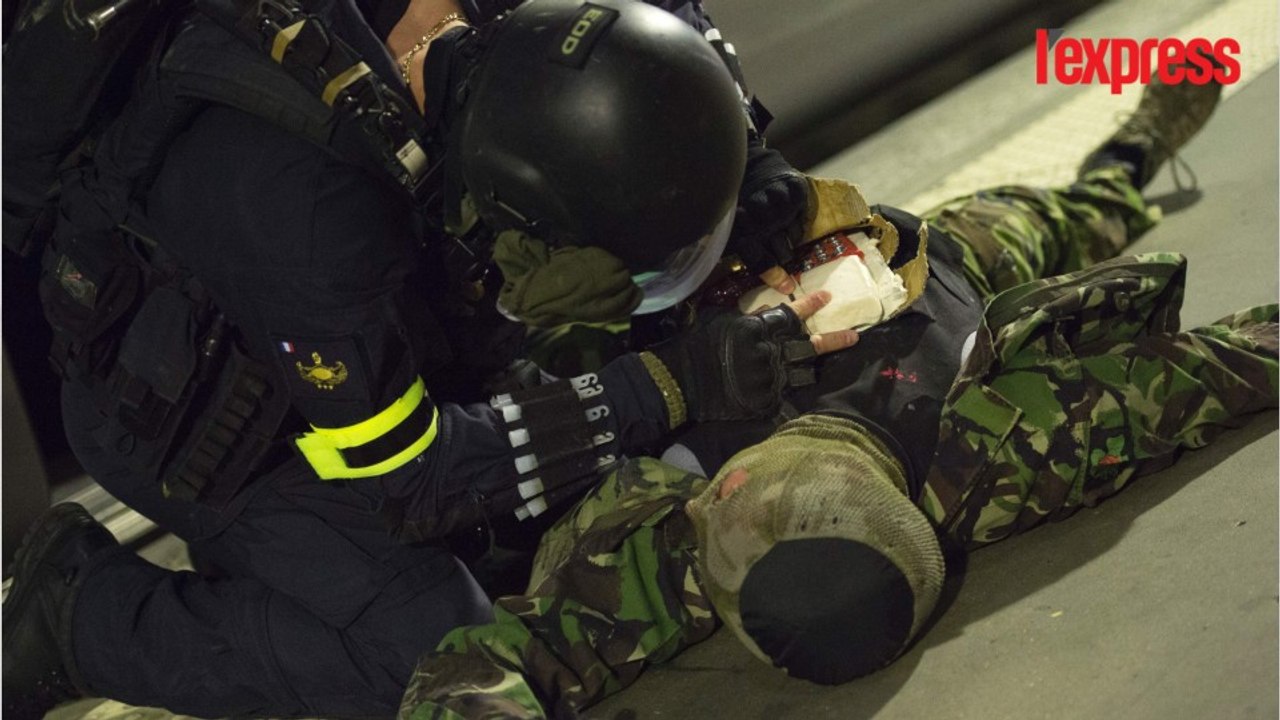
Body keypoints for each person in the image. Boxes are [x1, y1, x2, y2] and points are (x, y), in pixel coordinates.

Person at [2, 0, 851, 718]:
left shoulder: (518, 31)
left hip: (388, 298)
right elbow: (409, 477)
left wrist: (750, 160)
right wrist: (670, 381)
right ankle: (81, 616)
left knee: (586, 460)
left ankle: (308, 566)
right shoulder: (303, 212)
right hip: (203, 411)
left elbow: (662, 29)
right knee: (447, 650)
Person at [394, 71, 1279, 718]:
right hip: (933, 259)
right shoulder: (992, 458)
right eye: (797, 513)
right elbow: (1208, 370)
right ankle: (1130, 151)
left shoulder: (682, 553)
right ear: (880, 509)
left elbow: (513, 653)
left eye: (740, 526)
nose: (742, 500)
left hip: (686, 297)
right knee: (1072, 212)